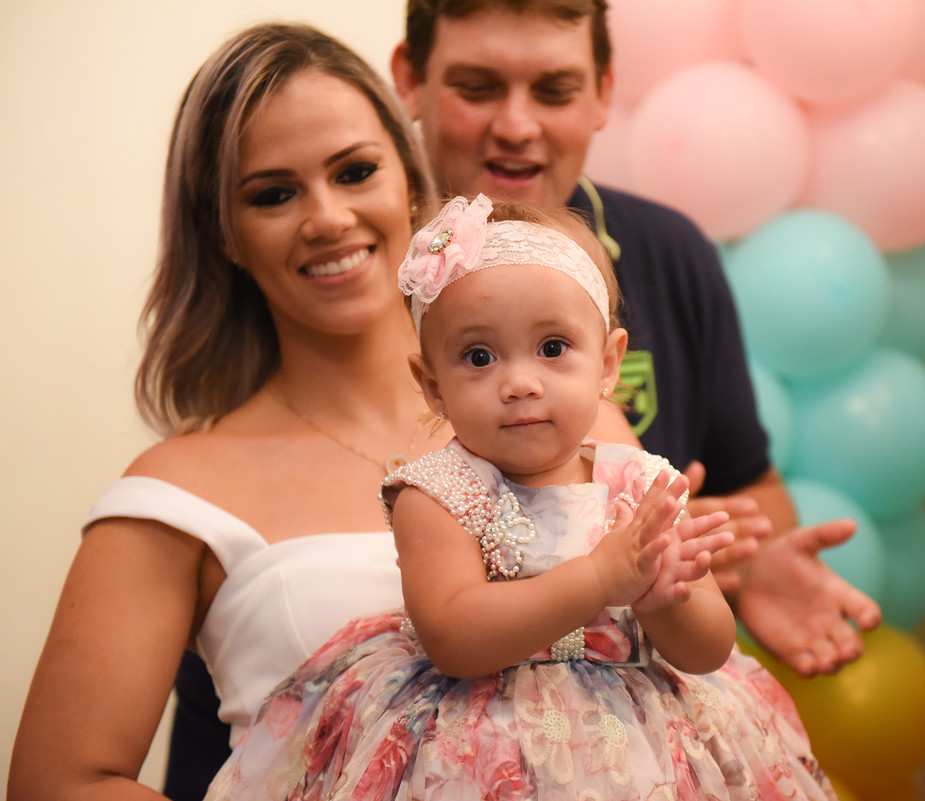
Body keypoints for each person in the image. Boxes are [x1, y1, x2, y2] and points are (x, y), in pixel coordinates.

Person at [7, 22, 628, 801]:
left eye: (355, 171)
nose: (328, 217)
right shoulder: (174, 493)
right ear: (225, 234)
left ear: (409, 178)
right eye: (273, 194)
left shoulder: (573, 419)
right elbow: (55, 782)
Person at [201, 194, 840, 801]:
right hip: (480, 743)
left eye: (553, 348)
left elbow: (709, 652)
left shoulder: (641, 485)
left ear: (608, 364)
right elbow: (454, 638)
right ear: (432, 385)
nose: (520, 382)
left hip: (643, 743)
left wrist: (664, 601)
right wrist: (599, 578)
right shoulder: (438, 495)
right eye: (479, 356)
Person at [391, 0, 881, 669]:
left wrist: (719, 561)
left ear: (604, 91)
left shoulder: (672, 253)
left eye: (555, 90)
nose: (516, 126)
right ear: (410, 80)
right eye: (477, 88)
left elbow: (752, 491)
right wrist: (601, 572)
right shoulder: (364, 271)